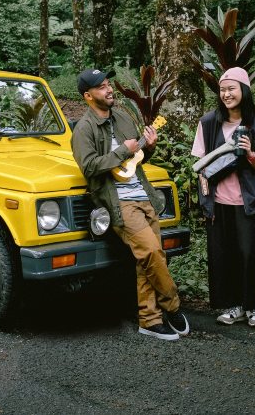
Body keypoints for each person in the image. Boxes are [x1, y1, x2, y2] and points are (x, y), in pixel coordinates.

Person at [71, 68, 189, 341]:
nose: (109, 89)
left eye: (108, 84)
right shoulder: (84, 129)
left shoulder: (123, 117)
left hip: (144, 195)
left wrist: (149, 146)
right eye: (101, 87)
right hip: (119, 202)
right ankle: (173, 305)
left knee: (147, 259)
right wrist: (124, 149)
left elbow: (137, 158)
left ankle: (149, 320)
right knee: (151, 252)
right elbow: (89, 167)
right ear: (88, 96)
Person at [191, 67, 255, 328]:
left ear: (244, 91)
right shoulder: (208, 123)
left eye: (231, 89)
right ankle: (234, 305)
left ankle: (252, 306)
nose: (226, 94)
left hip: (245, 202)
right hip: (218, 203)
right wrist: (205, 198)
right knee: (223, 255)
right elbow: (200, 166)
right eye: (222, 90)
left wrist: (249, 154)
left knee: (248, 255)